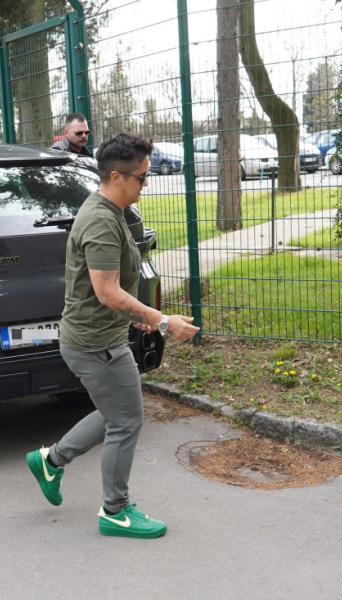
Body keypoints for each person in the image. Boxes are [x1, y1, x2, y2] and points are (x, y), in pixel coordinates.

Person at [27, 132, 199, 539]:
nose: (146, 184)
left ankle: (51, 461)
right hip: (95, 345)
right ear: (117, 176)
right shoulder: (102, 220)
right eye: (141, 177)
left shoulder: (110, 210)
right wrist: (162, 321)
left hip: (99, 337)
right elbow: (107, 292)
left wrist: (137, 317)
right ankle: (115, 511)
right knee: (126, 421)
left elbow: (111, 290)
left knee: (115, 414)